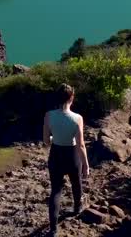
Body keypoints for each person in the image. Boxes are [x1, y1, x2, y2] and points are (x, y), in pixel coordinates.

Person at [42, 83, 88, 235]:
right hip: (72, 154)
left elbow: (46, 141)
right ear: (71, 98)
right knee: (76, 182)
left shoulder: (49, 115)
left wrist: (54, 136)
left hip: (56, 154)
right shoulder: (77, 118)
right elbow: (81, 144)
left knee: (56, 191)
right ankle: (77, 208)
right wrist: (86, 165)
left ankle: (53, 229)